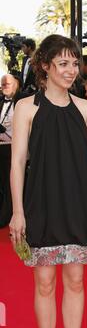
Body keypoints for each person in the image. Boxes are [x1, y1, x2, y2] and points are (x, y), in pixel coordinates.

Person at [9, 34, 87, 328]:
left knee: (75, 281)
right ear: (45, 66)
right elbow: (17, 163)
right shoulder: (26, 108)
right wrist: (18, 211)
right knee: (45, 283)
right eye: (62, 63)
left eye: (74, 63)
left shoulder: (85, 108)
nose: (71, 70)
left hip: (80, 203)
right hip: (42, 205)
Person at [0, 74, 20, 227]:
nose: (3, 87)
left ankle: (7, 214)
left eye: (7, 84)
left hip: (15, 149)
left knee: (9, 183)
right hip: (1, 148)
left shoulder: (23, 101)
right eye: (2, 84)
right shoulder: (1, 102)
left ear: (17, 84)